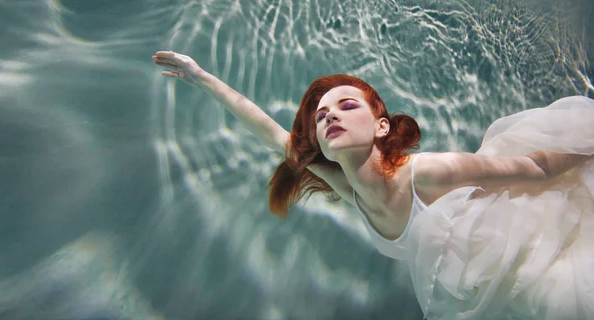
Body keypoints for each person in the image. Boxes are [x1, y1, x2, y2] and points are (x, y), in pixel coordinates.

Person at [152, 50, 594, 320]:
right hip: (488, 295)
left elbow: (536, 170)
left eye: (346, 105)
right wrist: (201, 78)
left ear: (381, 126)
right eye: (321, 117)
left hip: (535, 252)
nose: (330, 118)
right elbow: (271, 133)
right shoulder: (352, 193)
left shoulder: (430, 172)